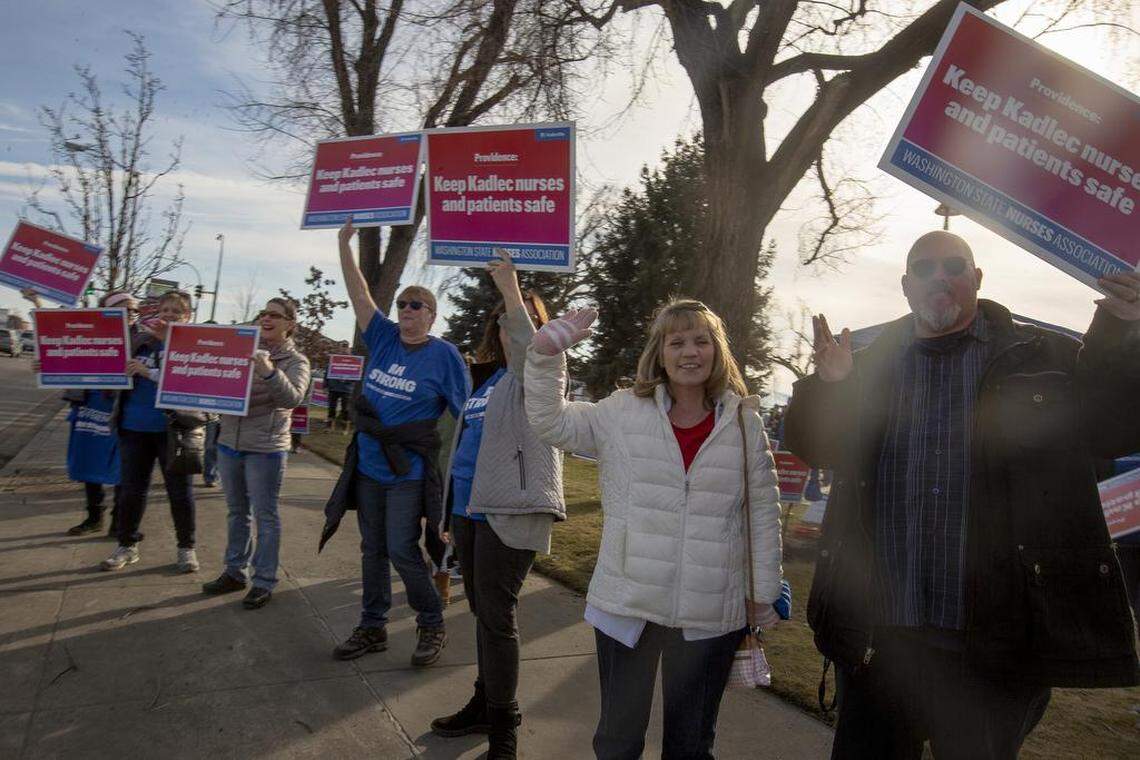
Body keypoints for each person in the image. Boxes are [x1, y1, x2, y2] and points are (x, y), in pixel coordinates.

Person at [784, 231, 1140, 760]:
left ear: (977, 278)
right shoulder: (868, 368)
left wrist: (1119, 330)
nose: (940, 277)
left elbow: (1115, 429)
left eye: (955, 265)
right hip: (883, 645)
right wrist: (832, 385)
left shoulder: (1040, 356)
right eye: (924, 269)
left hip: (993, 649)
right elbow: (817, 447)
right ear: (907, 286)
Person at [525, 299, 784, 759]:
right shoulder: (622, 412)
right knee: (618, 741)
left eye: (701, 341)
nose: (690, 351)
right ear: (660, 353)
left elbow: (762, 514)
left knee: (690, 745)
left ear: (717, 350)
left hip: (709, 612)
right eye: (677, 341)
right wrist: (546, 354)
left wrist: (762, 594)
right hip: (628, 604)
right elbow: (551, 422)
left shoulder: (745, 423)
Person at [321, 217, 469, 667]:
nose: (407, 309)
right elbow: (360, 296)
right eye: (403, 302)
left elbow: (467, 417)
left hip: (408, 472)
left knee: (403, 549)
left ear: (432, 316)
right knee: (372, 549)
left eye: (417, 304)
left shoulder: (444, 357)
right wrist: (345, 244)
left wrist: (464, 474)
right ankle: (372, 627)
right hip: (368, 465)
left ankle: (431, 622)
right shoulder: (383, 337)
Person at [429, 252, 559, 758]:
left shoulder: (540, 374)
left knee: (497, 616)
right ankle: (486, 702)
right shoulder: (488, 381)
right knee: (484, 613)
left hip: (510, 511)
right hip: (467, 510)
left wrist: (510, 287)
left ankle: (504, 723)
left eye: (518, 321)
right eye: (503, 322)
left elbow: (530, 348)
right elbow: (460, 451)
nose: (509, 329)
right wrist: (445, 514)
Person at [201, 298, 310, 609]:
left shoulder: (296, 361)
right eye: (263, 313)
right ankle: (234, 572)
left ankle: (263, 580)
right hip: (229, 444)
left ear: (290, 324)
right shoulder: (240, 350)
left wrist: (269, 372)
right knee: (237, 513)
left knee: (266, 516)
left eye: (275, 315)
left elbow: (293, 399)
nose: (266, 318)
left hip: (265, 450)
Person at [101, 290, 204, 573]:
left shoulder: (193, 347)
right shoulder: (139, 342)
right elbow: (106, 377)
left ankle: (186, 549)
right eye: (165, 310)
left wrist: (150, 372)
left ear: (188, 317)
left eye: (177, 311)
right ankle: (127, 545)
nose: (169, 315)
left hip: (174, 432)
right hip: (134, 427)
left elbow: (189, 382)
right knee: (131, 492)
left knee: (180, 494)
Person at [23, 288, 136, 536]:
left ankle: (119, 520)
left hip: (122, 411)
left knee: (121, 466)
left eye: (134, 310)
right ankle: (94, 517)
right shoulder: (91, 332)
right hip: (89, 405)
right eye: (125, 309)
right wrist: (45, 363)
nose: (131, 315)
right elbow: (55, 331)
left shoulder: (141, 339)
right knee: (89, 460)